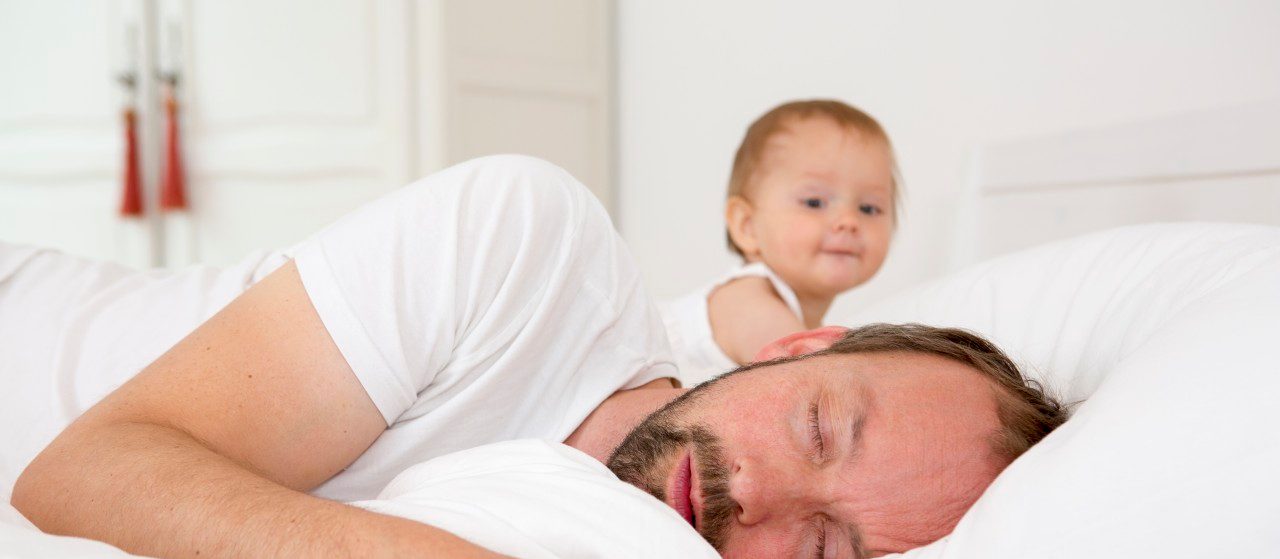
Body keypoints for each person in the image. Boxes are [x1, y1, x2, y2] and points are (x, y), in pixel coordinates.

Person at [8, 155, 1064, 558]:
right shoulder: (531, 248)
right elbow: (78, 475)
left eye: (826, 552)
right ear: (791, 346)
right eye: (816, 427)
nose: (759, 492)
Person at [662, 99, 900, 386]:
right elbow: (813, 383)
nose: (848, 221)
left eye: (869, 208)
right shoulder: (749, 299)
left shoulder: (797, 322)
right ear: (746, 226)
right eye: (815, 202)